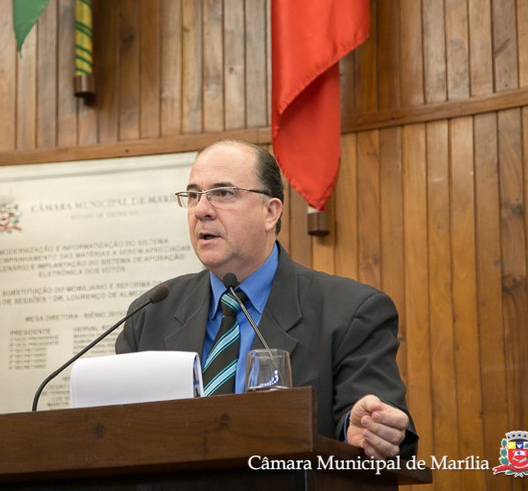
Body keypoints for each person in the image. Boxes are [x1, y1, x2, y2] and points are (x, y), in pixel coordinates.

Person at [115, 139, 418, 459]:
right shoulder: (150, 313)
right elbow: (113, 431)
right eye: (193, 196)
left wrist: (363, 430)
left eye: (222, 193)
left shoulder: (351, 312)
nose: (201, 210)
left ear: (270, 212)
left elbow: (370, 422)